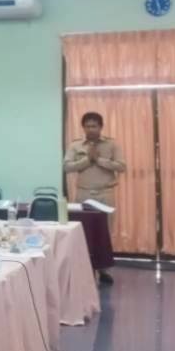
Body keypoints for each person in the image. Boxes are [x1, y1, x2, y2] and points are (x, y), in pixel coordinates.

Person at [63, 111, 125, 285]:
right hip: (83, 194)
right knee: (83, 232)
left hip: (105, 193)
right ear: (83, 127)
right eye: (87, 126)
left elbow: (122, 167)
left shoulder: (111, 144)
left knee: (105, 232)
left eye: (94, 126)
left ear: (101, 127)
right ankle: (85, 269)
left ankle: (104, 270)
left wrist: (99, 160)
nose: (91, 129)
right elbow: (67, 167)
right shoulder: (75, 145)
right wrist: (87, 161)